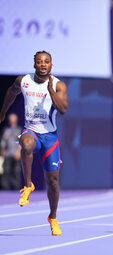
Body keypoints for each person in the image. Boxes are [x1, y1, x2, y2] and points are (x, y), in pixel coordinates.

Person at [0, 51, 68, 236]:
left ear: (51, 65)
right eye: (39, 62)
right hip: (32, 131)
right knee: (26, 143)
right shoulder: (23, 81)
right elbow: (10, 93)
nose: (43, 64)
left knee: (53, 182)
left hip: (50, 138)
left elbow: (63, 109)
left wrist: (51, 91)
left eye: (46, 62)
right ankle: (28, 185)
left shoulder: (58, 84)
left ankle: (53, 217)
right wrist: (3, 113)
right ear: (35, 65)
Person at [0, 113, 22, 190]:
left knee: (16, 171)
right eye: (10, 119)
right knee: (6, 171)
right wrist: (2, 151)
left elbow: (20, 142)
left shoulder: (18, 130)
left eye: (13, 119)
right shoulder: (6, 130)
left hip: (15, 153)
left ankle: (16, 188)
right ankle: (4, 188)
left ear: (15, 120)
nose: (11, 121)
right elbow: (3, 141)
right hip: (7, 154)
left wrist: (18, 151)